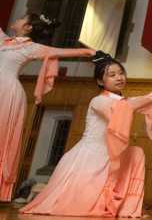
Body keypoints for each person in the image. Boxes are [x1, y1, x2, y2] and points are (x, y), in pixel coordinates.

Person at [19, 51, 152, 217]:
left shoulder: (124, 101)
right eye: (112, 75)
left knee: (136, 153)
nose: (119, 77)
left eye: (121, 73)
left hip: (109, 157)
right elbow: (131, 106)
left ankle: (124, 206)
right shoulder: (99, 101)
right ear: (100, 81)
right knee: (79, 207)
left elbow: (146, 103)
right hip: (90, 158)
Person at [0, 14, 95, 202]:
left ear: (28, 28)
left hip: (7, 91)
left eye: (21, 18)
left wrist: (88, 52)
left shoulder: (31, 47)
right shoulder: (4, 40)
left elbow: (59, 52)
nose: (17, 19)